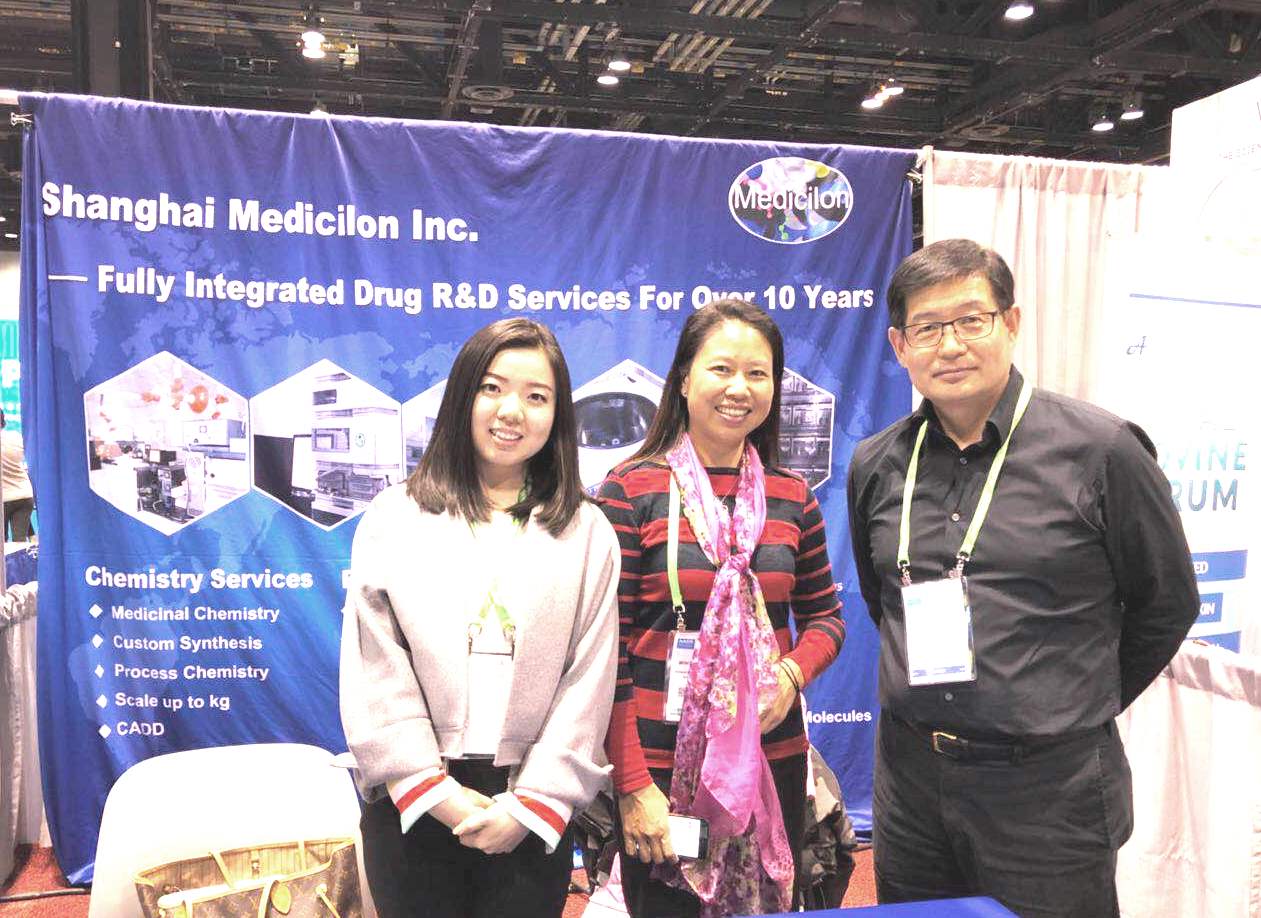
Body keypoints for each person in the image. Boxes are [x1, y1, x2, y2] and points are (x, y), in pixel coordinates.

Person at [846, 239, 1198, 917]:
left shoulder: (1102, 451)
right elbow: (882, 600)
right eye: (928, 327)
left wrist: (1069, 701)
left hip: (1048, 790)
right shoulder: (877, 463)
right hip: (911, 782)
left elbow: (1166, 605)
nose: (951, 345)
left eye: (970, 319)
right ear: (899, 346)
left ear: (1010, 322)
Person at [339, 317, 620, 918]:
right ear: (463, 394)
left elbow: (589, 677)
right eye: (492, 388)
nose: (511, 411)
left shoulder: (587, 530)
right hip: (413, 804)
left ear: (557, 415)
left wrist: (532, 804)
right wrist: (431, 791)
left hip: (529, 810)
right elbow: (375, 664)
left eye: (536, 396)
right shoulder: (395, 516)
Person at [597, 299, 846, 917]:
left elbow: (825, 619)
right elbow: (607, 654)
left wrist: (791, 673)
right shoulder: (630, 489)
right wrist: (632, 785)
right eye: (721, 369)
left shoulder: (793, 496)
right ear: (684, 379)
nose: (740, 388)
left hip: (771, 758)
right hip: (663, 768)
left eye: (758, 373)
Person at [1, 409, 35, 541]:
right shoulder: (16, 437)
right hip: (23, 495)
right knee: (20, 542)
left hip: (3, 498)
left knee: (2, 546)